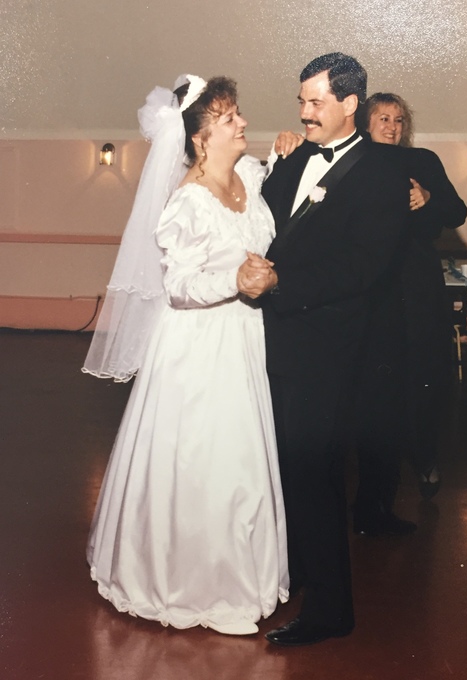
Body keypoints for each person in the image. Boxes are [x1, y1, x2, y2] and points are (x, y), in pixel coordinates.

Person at [83, 74, 290, 636]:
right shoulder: (186, 202)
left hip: (245, 337)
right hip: (198, 345)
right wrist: (235, 281)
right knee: (203, 458)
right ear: (200, 138)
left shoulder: (251, 174)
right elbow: (178, 286)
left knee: (242, 458)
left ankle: (241, 577)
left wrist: (283, 153)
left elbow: (266, 212)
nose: (243, 123)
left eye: (238, 113)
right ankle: (190, 583)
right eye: (229, 118)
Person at [237, 53, 410, 646]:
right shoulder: (294, 158)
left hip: (328, 350)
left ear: (349, 104)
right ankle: (297, 576)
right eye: (301, 101)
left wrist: (280, 284)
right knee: (284, 467)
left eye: (316, 102)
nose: (305, 112)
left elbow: (361, 268)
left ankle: (332, 611)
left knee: (315, 473)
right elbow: (262, 227)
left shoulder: (383, 173)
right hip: (273, 340)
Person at [352, 93, 467, 537]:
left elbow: (457, 212)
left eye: (399, 119)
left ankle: (424, 457)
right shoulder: (353, 161)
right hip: (371, 293)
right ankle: (372, 497)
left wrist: (429, 196)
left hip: (418, 290)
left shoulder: (422, 161)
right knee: (374, 393)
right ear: (364, 122)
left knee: (424, 381)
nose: (392, 126)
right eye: (383, 117)